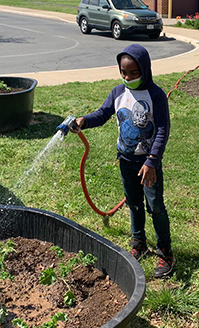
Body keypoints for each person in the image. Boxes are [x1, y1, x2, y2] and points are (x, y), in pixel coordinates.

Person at [73, 44, 175, 278]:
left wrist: (152, 161)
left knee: (155, 206)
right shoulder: (118, 92)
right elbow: (102, 114)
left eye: (133, 73)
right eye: (123, 72)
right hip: (126, 160)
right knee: (134, 203)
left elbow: (161, 130)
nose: (128, 78)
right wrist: (84, 121)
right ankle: (138, 243)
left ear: (145, 70)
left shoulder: (156, 95)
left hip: (148, 164)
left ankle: (165, 251)